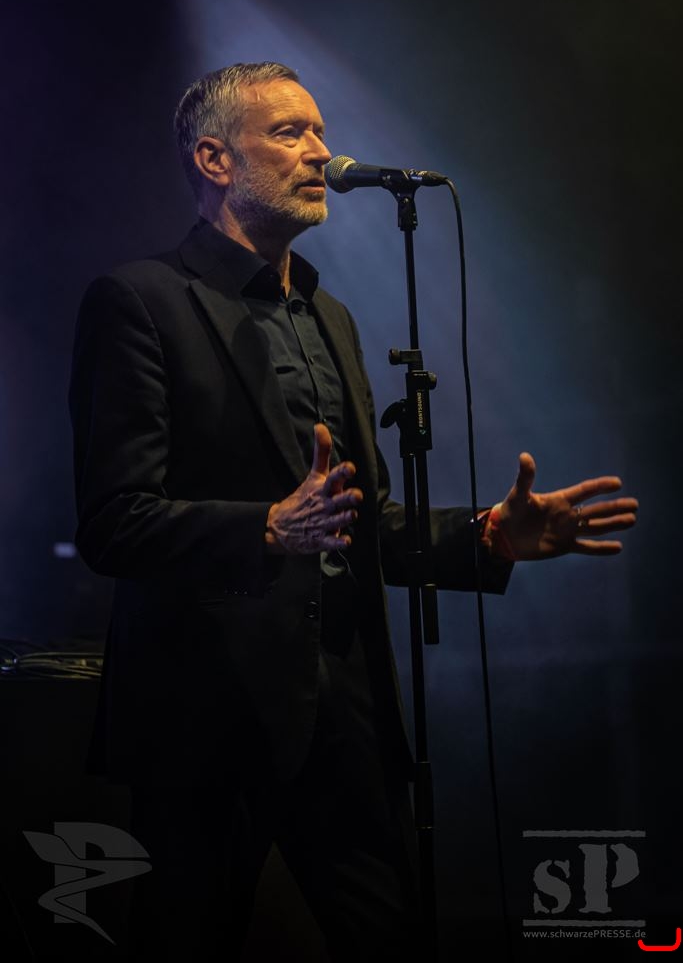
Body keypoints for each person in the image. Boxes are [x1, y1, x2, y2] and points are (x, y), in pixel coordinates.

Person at [68, 61, 637, 960]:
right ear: (215, 159)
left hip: (346, 711)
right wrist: (263, 527)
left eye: (320, 131)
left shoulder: (327, 314)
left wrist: (484, 536)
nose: (319, 151)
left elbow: (357, 523)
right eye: (288, 132)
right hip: (206, 721)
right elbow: (113, 521)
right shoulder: (141, 301)